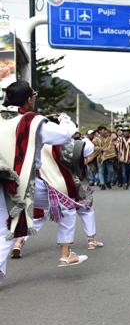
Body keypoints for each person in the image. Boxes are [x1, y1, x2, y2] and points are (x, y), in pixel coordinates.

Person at [0, 81, 86, 273]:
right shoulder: (31, 121)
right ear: (29, 99)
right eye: (34, 95)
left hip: (2, 181)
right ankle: (66, 254)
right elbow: (64, 135)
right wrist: (64, 119)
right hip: (23, 182)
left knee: (5, 229)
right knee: (67, 206)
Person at [89, 126, 116, 190]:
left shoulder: (110, 138)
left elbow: (112, 147)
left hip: (109, 157)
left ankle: (108, 181)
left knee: (111, 171)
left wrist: (107, 151)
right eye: (103, 130)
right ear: (100, 131)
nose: (105, 131)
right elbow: (93, 147)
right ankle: (102, 184)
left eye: (105, 130)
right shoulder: (96, 139)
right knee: (101, 171)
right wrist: (101, 149)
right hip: (100, 157)